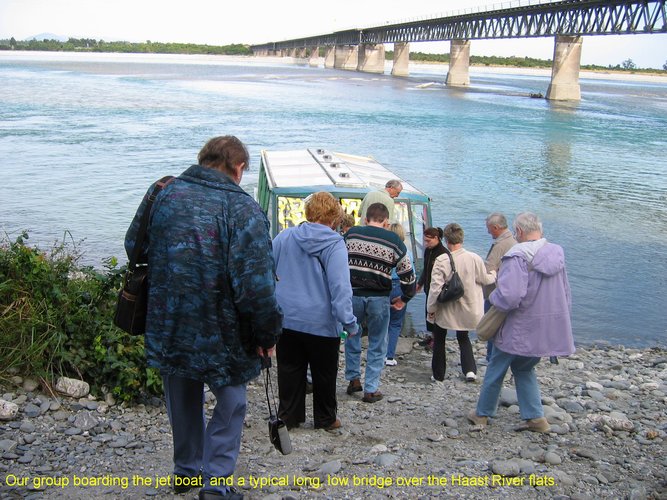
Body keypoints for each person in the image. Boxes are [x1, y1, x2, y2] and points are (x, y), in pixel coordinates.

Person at [124, 136, 283, 500]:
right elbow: (255, 286)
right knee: (231, 402)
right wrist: (268, 333)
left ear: (203, 159)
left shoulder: (163, 191)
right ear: (239, 168)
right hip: (222, 331)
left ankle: (185, 473)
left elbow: (135, 246)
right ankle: (215, 483)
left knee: (181, 395)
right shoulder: (242, 209)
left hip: (170, 320)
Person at [468, 212, 574, 433]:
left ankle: (482, 414)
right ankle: (536, 418)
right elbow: (565, 293)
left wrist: (492, 297)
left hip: (518, 325)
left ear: (519, 232)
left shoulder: (518, 255)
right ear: (539, 229)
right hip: (544, 326)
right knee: (524, 368)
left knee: (496, 368)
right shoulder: (556, 253)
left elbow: (510, 296)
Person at [272, 192, 358, 431]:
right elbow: (340, 288)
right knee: (324, 373)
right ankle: (325, 418)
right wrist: (349, 323)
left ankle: (289, 416)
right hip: (322, 322)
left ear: (308, 212)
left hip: (288, 317)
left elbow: (269, 271)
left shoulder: (285, 236)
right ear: (334, 217)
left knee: (289, 370)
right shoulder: (335, 244)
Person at [344, 203, 416, 403]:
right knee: (377, 342)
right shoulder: (394, 241)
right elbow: (408, 275)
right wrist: (404, 298)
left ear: (366, 219)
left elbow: (337, 260)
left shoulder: (351, 235)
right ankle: (371, 388)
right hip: (379, 298)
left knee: (352, 334)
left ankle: (353, 379)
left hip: (353, 295)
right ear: (386, 222)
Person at [426, 223, 496, 383]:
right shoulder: (475, 258)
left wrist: (431, 308)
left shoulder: (442, 260)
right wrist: (494, 274)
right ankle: (470, 370)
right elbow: (484, 279)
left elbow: (435, 288)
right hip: (469, 309)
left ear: (446, 240)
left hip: (447, 309)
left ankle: (438, 374)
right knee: (463, 337)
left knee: (440, 338)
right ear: (461, 238)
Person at [483, 213, 517, 360]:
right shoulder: (514, 240)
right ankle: (499, 356)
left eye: (489, 228)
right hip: (508, 292)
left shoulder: (500, 245)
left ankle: (491, 357)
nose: (488, 231)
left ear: (496, 227)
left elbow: (489, 268)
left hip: (495, 292)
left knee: (491, 325)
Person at [385, 222, 414, 366]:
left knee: (381, 321)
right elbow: (411, 275)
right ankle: (389, 356)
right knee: (395, 323)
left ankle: (378, 352)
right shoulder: (406, 252)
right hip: (399, 286)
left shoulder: (384, 249)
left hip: (384, 286)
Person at [416, 227, 447, 342]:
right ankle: (432, 336)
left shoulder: (443, 253)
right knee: (429, 313)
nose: (426, 244)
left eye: (428, 241)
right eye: (424, 241)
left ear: (436, 238)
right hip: (429, 288)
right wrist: (420, 283)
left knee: (437, 315)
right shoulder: (428, 251)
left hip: (439, 290)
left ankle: (437, 339)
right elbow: (426, 268)